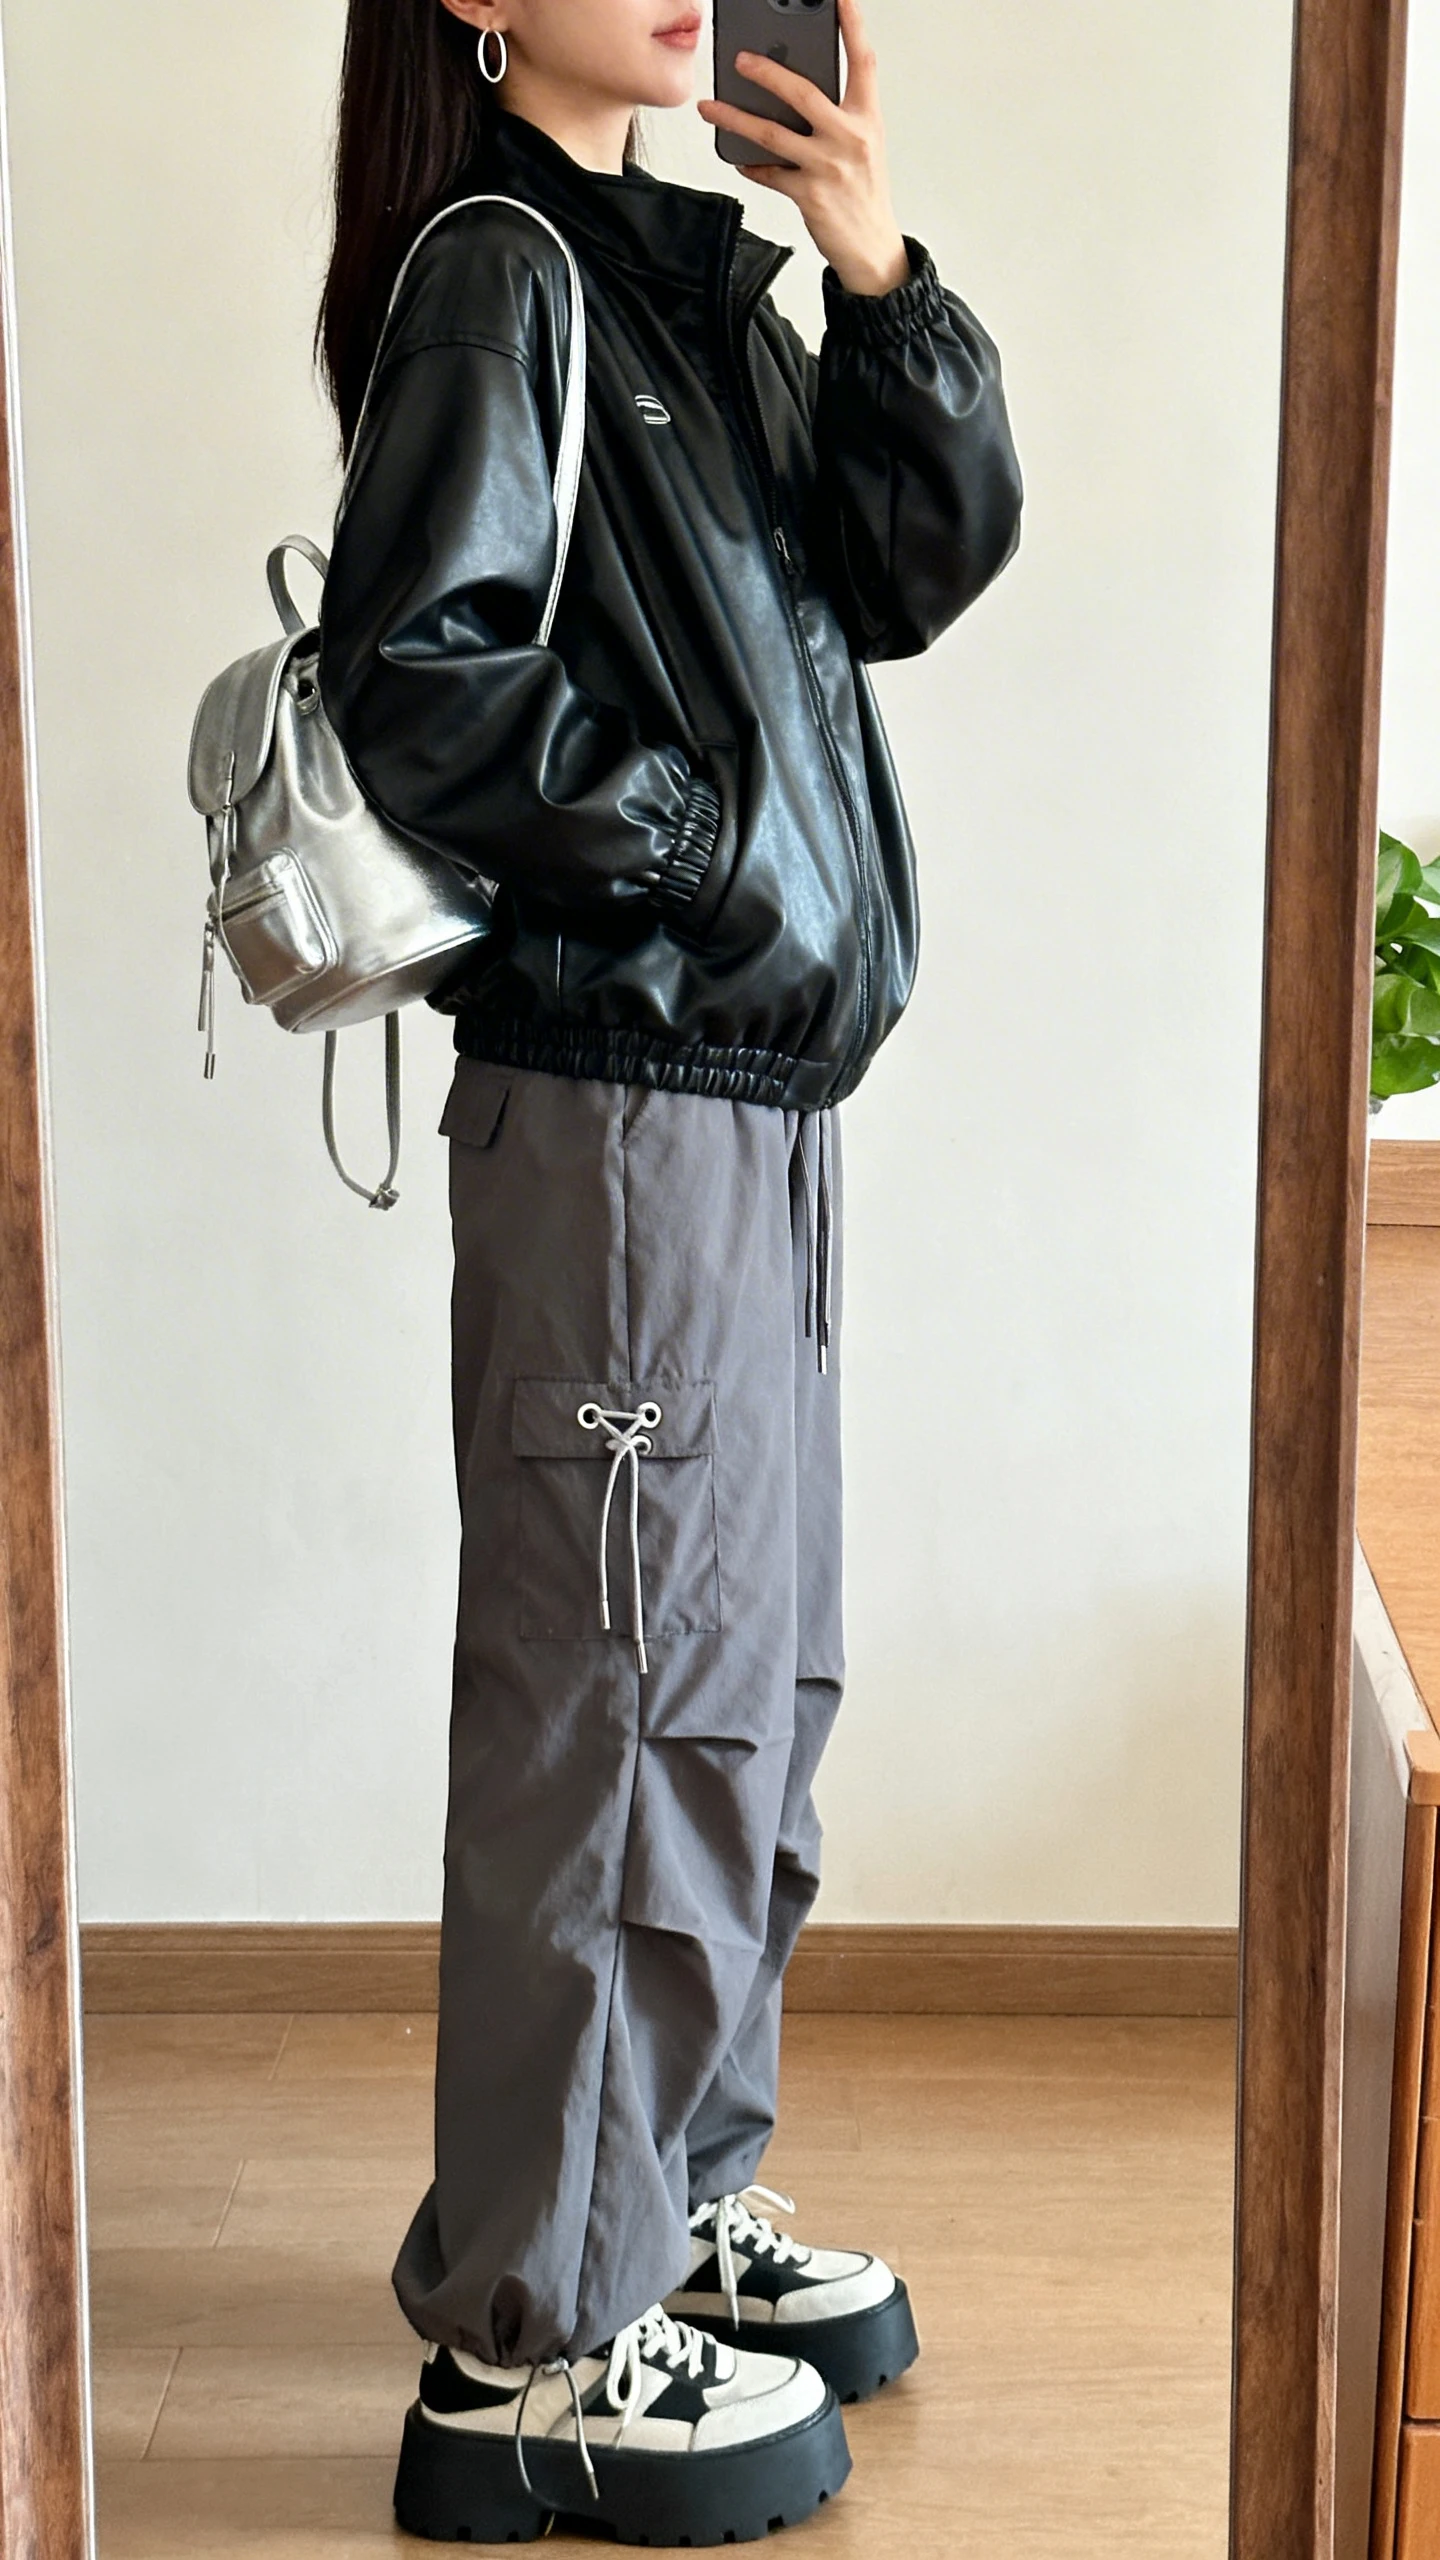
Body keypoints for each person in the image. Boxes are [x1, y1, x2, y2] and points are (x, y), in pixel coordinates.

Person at [316, 0, 1021, 2540]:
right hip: (622, 1097)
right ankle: (530, 2339)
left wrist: (881, 274)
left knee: (742, 1683)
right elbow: (418, 676)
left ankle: (667, 2202)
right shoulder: (499, 267)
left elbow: (912, 574)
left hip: (746, 1103)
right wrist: (710, 853)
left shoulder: (698, 280)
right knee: (611, 1706)